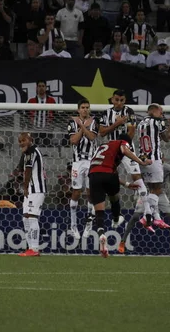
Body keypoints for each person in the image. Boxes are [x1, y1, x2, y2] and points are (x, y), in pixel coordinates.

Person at [119, 103, 170, 255]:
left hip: (144, 160)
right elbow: (166, 138)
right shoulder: (157, 122)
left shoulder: (141, 123)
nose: (163, 114)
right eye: (161, 111)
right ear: (155, 111)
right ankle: (148, 220)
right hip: (153, 161)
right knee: (153, 194)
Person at [88, 134, 152, 257]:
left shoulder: (103, 146)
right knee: (114, 197)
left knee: (99, 210)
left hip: (93, 174)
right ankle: (116, 218)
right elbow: (124, 150)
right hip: (109, 174)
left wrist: (127, 184)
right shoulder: (122, 143)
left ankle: (101, 234)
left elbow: (104, 169)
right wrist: (141, 162)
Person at [98, 90, 150, 233]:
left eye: (122, 100)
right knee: (106, 179)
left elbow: (131, 132)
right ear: (112, 100)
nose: (119, 103)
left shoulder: (130, 111)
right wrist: (117, 123)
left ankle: (148, 213)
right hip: (111, 150)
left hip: (126, 148)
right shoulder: (105, 113)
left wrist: (123, 144)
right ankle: (114, 215)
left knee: (137, 177)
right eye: (117, 100)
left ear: (125, 99)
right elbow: (102, 132)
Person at [67, 100, 99, 239]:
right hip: (77, 162)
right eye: (83, 108)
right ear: (78, 109)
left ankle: (88, 225)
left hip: (91, 161)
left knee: (90, 193)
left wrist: (83, 126)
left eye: (87, 107)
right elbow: (73, 140)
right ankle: (73, 226)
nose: (85, 110)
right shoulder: (72, 123)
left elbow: (92, 137)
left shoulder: (94, 122)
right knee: (76, 192)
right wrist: (81, 127)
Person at [17, 132, 47, 257]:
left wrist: (24, 187)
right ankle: (30, 248)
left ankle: (34, 248)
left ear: (30, 140)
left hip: (36, 189)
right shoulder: (26, 153)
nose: (22, 143)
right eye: (20, 141)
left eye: (24, 140)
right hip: (31, 189)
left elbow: (28, 171)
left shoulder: (33, 152)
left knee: (32, 217)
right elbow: (20, 169)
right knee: (25, 218)